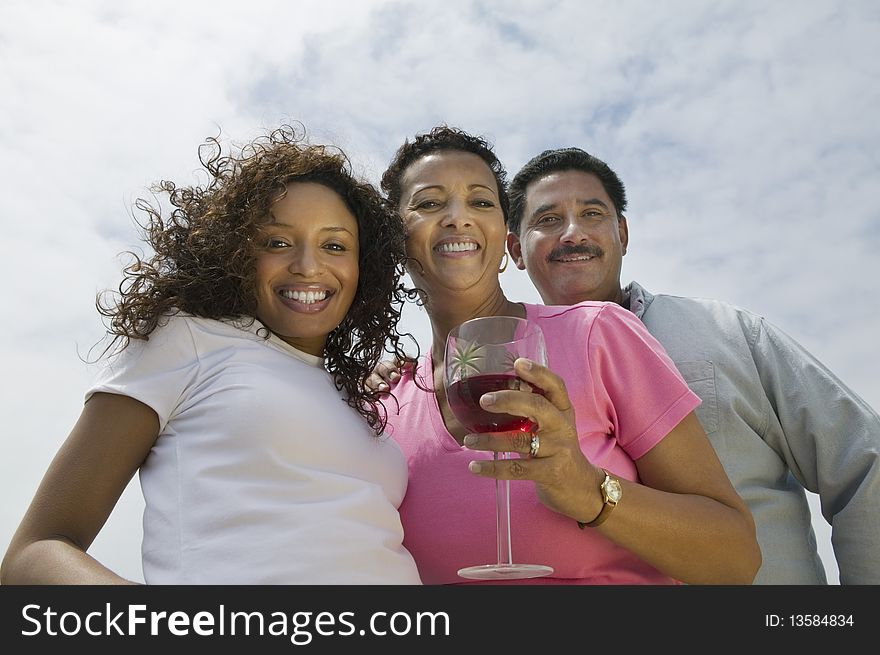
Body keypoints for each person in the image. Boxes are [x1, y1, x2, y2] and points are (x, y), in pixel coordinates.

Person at [0, 124, 422, 585]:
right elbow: (34, 554)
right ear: (238, 251)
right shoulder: (188, 338)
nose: (307, 264)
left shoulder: (355, 394)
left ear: (365, 267)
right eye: (277, 242)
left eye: (335, 246)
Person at [377, 125, 761, 585]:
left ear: (505, 240)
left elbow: (735, 559)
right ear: (393, 235)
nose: (458, 218)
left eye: (480, 202)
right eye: (429, 203)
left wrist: (591, 492)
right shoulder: (385, 403)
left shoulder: (598, 334)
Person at [504, 146, 880, 585]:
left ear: (622, 233)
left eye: (592, 214)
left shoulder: (730, 333)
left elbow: (861, 457)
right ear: (515, 248)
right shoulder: (509, 372)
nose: (573, 233)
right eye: (548, 220)